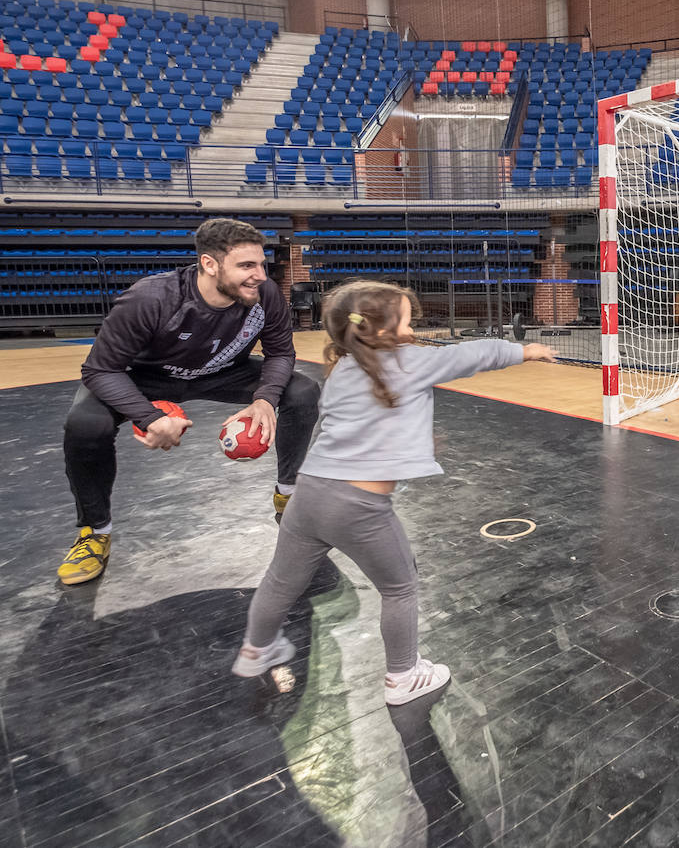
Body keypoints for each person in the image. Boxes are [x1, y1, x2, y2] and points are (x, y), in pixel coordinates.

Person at [231, 280, 559, 706]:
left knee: (280, 580)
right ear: (383, 328)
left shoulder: (342, 370)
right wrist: (525, 351)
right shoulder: (410, 362)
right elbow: (471, 354)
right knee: (400, 587)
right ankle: (403, 676)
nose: (413, 324)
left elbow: (359, 426)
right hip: (359, 509)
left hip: (308, 497)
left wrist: (415, 441)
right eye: (407, 317)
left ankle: (256, 650)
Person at [59, 218, 321, 585]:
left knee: (302, 392)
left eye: (262, 264)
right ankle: (93, 531)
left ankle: (288, 495)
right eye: (246, 266)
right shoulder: (151, 299)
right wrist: (148, 416)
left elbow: (279, 354)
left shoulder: (267, 295)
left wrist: (264, 399)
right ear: (209, 264)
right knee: (85, 424)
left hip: (222, 372)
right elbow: (100, 370)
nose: (259, 275)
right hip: (144, 378)